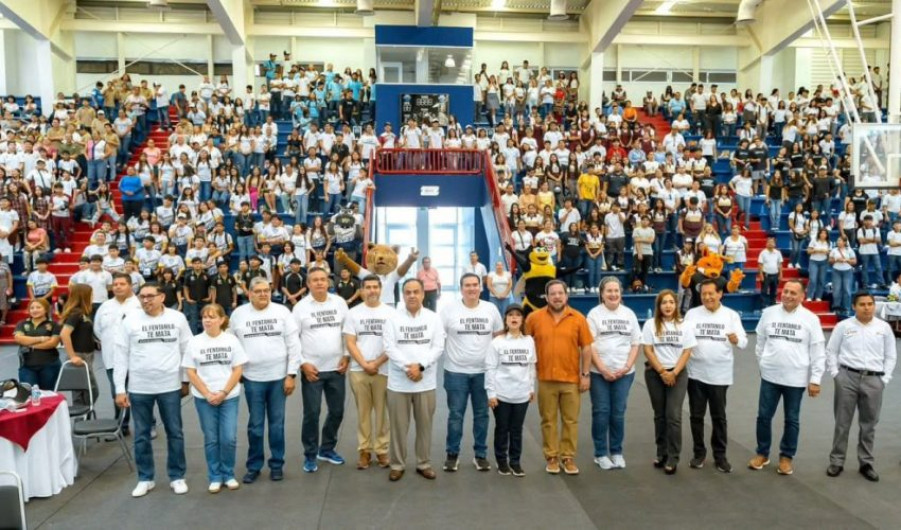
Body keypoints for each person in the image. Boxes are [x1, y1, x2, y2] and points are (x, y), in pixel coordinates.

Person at [114, 283, 193, 498]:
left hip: (170, 385)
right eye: (142, 296)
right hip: (140, 387)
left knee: (175, 432)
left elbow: (187, 350)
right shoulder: (130, 320)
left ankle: (177, 476)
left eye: (150, 296)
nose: (146, 300)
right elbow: (120, 355)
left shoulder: (177, 318)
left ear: (162, 297)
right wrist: (120, 388)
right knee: (141, 435)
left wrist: (186, 380)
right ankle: (145, 478)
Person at [749, 280, 826, 476]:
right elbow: (760, 342)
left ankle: (786, 457)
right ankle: (762, 453)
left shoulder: (810, 319)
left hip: (796, 378)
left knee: (792, 419)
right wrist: (763, 363)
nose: (788, 296)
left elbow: (818, 351)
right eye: (786, 291)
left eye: (793, 293)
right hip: (770, 376)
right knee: (763, 417)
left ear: (802, 296)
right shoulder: (768, 313)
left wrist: (815, 379)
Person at [826, 292, 897, 482]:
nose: (867, 308)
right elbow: (831, 351)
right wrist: (836, 374)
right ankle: (837, 461)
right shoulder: (843, 326)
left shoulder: (883, 328)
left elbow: (891, 355)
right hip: (847, 377)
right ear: (854, 306)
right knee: (842, 423)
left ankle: (866, 462)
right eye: (862, 304)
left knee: (869, 424)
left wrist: (884, 379)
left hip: (874, 380)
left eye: (870, 304)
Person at [525, 280, 592, 475]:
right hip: (545, 378)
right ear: (546, 297)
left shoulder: (578, 318)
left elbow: (586, 347)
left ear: (566, 296)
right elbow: (524, 345)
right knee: (548, 420)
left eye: (560, 293)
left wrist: (585, 374)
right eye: (553, 294)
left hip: (571, 379)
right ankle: (552, 456)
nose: (557, 297)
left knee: (571, 420)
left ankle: (568, 457)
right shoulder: (534, 318)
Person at [383, 278, 446, 481]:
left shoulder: (433, 318)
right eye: (408, 292)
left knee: (425, 427)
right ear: (403, 295)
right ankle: (397, 464)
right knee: (398, 428)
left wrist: (420, 366)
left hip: (425, 383)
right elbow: (389, 347)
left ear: (423, 294)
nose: (412, 295)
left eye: (416, 292)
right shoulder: (392, 319)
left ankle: (423, 463)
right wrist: (408, 367)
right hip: (398, 383)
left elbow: (438, 347)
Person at [440, 273, 504, 472]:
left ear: (480, 287)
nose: (472, 288)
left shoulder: (491, 309)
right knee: (456, 415)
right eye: (467, 285)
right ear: (461, 289)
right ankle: (452, 455)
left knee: (482, 415)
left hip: (483, 373)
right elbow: (439, 337)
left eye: (475, 285)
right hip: (455, 372)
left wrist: (497, 367)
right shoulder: (448, 310)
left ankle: (480, 455)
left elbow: (499, 336)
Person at [683, 279, 748, 473]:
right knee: (696, 416)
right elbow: (683, 339)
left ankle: (720, 456)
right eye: (703, 294)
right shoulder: (692, 314)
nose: (707, 297)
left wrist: (736, 340)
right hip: (695, 374)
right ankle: (699, 453)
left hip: (720, 375)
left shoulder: (731, 315)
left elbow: (744, 342)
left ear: (720, 294)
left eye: (711, 293)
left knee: (719, 417)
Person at [183, 303, 247, 494]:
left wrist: (224, 392)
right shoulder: (194, 342)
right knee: (211, 439)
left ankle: (228, 474)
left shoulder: (231, 340)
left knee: (228, 438)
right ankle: (215, 476)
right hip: (204, 398)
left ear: (222, 320)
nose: (207, 320)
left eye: (212, 317)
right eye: (204, 317)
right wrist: (207, 393)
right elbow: (190, 371)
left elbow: (238, 369)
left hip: (229, 396)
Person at [292, 267, 350, 473]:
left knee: (337, 411)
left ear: (328, 282)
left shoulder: (340, 303)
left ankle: (326, 449)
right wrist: (302, 363)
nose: (319, 283)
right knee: (312, 413)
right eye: (314, 280)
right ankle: (310, 454)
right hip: (312, 370)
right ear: (308, 284)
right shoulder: (300, 308)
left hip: (337, 368)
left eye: (322, 279)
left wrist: (347, 355)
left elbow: (348, 332)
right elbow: (293, 339)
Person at [586, 277, 641, 471]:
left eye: (616, 290)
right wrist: (602, 369)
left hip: (624, 373)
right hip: (598, 373)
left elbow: (635, 343)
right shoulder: (594, 314)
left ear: (621, 293)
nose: (613, 294)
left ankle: (616, 451)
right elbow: (590, 345)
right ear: (602, 294)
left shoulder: (629, 314)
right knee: (601, 412)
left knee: (617, 413)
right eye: (609, 291)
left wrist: (627, 366)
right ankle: (600, 453)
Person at [641, 289, 696, 474]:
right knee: (659, 415)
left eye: (671, 302)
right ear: (659, 306)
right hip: (655, 373)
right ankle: (661, 452)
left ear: (676, 305)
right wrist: (662, 371)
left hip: (677, 374)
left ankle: (673, 456)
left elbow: (687, 351)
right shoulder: (650, 324)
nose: (668, 306)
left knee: (673, 415)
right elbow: (647, 350)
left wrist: (674, 373)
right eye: (664, 302)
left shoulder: (684, 325)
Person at [343, 275, 394, 469]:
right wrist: (365, 364)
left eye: (375, 287)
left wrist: (377, 363)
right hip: (359, 370)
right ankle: (364, 450)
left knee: (382, 414)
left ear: (380, 289)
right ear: (362, 290)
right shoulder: (353, 313)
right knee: (363, 413)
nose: (372, 290)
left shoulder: (391, 313)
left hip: (384, 370)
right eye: (368, 287)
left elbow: (393, 344)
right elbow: (350, 342)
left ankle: (381, 450)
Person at [485, 303, 536, 477]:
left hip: (521, 394)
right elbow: (490, 368)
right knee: (502, 428)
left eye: (518, 315)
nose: (514, 318)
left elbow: (531, 366)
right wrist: (491, 394)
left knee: (516, 430)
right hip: (502, 395)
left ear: (522, 320)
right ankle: (501, 461)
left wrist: (531, 388)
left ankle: (515, 461)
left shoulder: (529, 341)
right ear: (505, 320)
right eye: (510, 315)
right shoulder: (497, 342)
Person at [94, 272, 141, 434]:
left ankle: (148, 425)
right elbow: (98, 330)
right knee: (117, 393)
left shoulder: (140, 305)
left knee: (141, 394)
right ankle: (122, 426)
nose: (118, 287)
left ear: (131, 286)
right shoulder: (105, 306)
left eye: (122, 284)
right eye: (115, 284)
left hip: (137, 358)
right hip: (112, 357)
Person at [59, 284, 100, 408]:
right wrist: (72, 356)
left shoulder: (84, 313)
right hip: (79, 354)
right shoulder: (76, 313)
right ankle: (82, 413)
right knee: (90, 390)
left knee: (82, 390)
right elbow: (64, 334)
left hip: (87, 354)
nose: (92, 297)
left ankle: (82, 414)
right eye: (91, 294)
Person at [13, 298, 61, 390]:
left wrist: (31, 345)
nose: (35, 310)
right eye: (32, 308)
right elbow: (19, 339)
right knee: (28, 393)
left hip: (49, 365)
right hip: (27, 365)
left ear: (46, 309)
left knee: (47, 393)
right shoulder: (22, 323)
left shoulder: (54, 324)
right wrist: (41, 339)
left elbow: (53, 343)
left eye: (38, 307)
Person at [757, 237, 782, 307]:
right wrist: (761, 275)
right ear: (766, 244)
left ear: (775, 244)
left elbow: (780, 264)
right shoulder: (763, 253)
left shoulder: (778, 253)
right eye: (769, 242)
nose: (770, 244)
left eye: (772, 242)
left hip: (775, 275)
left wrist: (780, 274)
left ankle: (772, 305)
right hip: (766, 275)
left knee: (774, 291)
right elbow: (760, 264)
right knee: (764, 291)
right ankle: (763, 306)